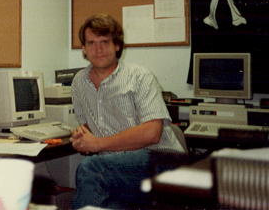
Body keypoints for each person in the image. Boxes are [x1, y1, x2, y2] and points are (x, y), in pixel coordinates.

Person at [70, 14, 185, 209]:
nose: (98, 49)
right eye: (91, 43)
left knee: (92, 169)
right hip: (117, 171)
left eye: (105, 42)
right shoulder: (79, 82)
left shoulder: (139, 77)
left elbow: (152, 133)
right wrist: (80, 138)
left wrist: (97, 144)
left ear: (117, 45)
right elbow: (85, 127)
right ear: (83, 48)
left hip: (160, 163)